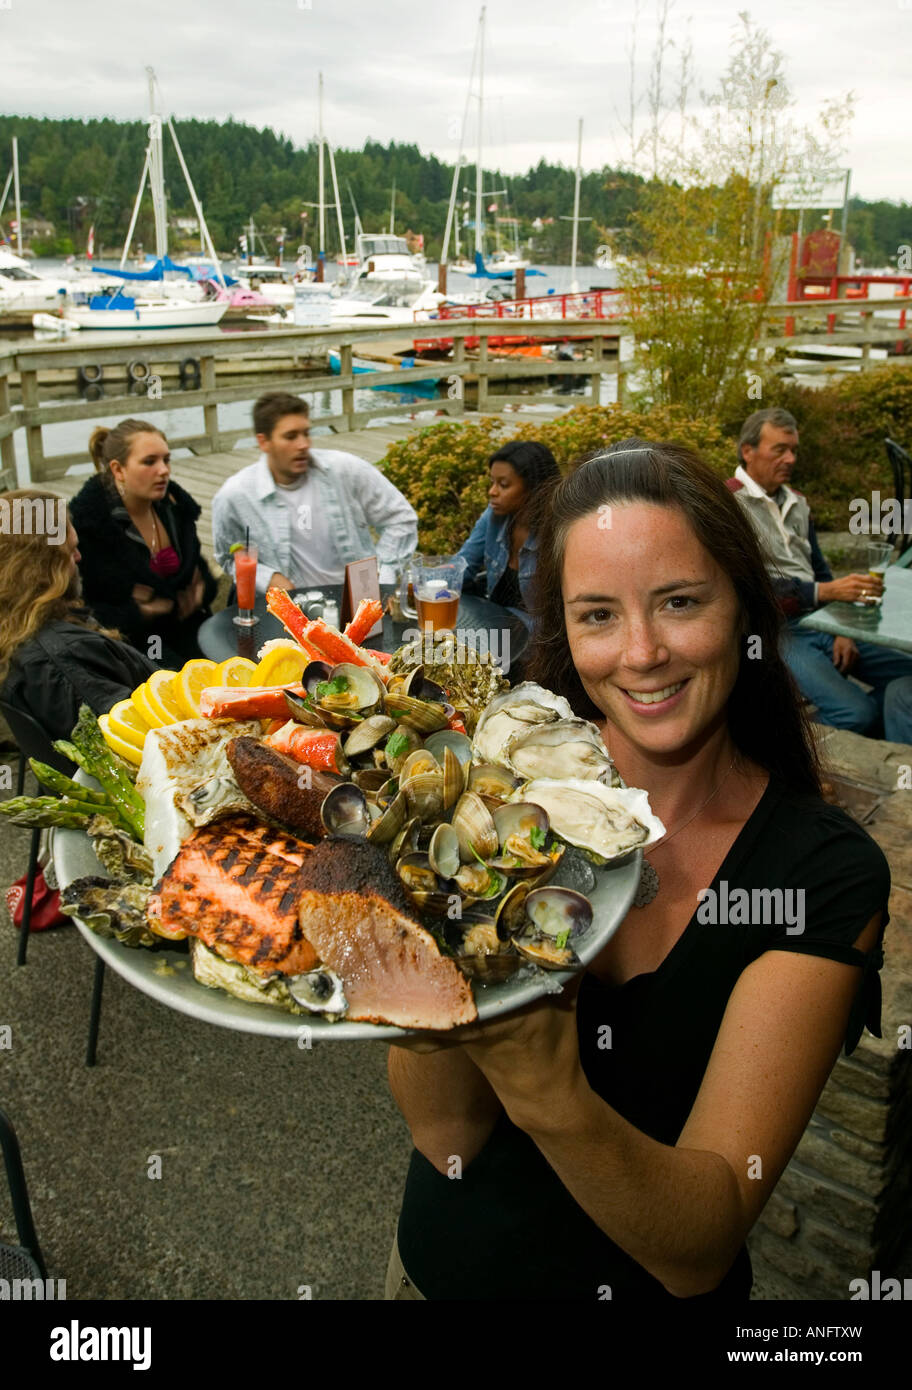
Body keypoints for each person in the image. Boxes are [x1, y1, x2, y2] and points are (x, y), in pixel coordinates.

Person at [386, 440, 889, 1302]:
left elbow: (699, 1250)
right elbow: (446, 1135)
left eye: (680, 601)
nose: (643, 652)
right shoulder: (497, 798)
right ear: (564, 631)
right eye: (598, 615)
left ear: (744, 609)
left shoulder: (820, 875)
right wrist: (424, 961)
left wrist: (552, 1095)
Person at [729, 407, 912, 743]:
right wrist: (826, 593)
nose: (790, 458)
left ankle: (881, 742)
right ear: (748, 451)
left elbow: (822, 570)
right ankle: (780, 751)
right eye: (779, 449)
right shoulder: (727, 504)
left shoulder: (799, 502)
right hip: (774, 632)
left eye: (794, 450)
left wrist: (842, 627)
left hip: (821, 621)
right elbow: (746, 587)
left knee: (906, 677)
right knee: (855, 713)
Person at [211, 392, 418, 596]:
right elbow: (230, 556)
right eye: (290, 436)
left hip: (358, 606)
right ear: (263, 442)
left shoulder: (346, 469)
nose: (303, 445)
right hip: (288, 616)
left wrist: (380, 575)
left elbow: (401, 518)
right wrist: (267, 578)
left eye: (306, 433)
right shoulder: (234, 496)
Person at [0, 490, 158, 743]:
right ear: (42, 566)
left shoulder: (15, 631)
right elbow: (136, 742)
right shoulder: (62, 662)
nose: (79, 557)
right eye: (70, 550)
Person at [68, 419, 217, 667]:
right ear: (118, 470)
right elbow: (80, 608)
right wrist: (138, 613)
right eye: (149, 462)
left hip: (187, 629)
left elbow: (199, 572)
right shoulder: (88, 526)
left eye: (166, 460)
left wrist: (202, 592)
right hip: (128, 645)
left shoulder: (174, 508)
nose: (163, 470)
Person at [456, 440, 561, 629]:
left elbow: (559, 618)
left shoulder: (559, 532)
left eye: (503, 485)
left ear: (535, 488)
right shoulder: (495, 516)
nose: (492, 492)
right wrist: (423, 587)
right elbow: (463, 565)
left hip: (539, 637)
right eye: (492, 483)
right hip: (494, 623)